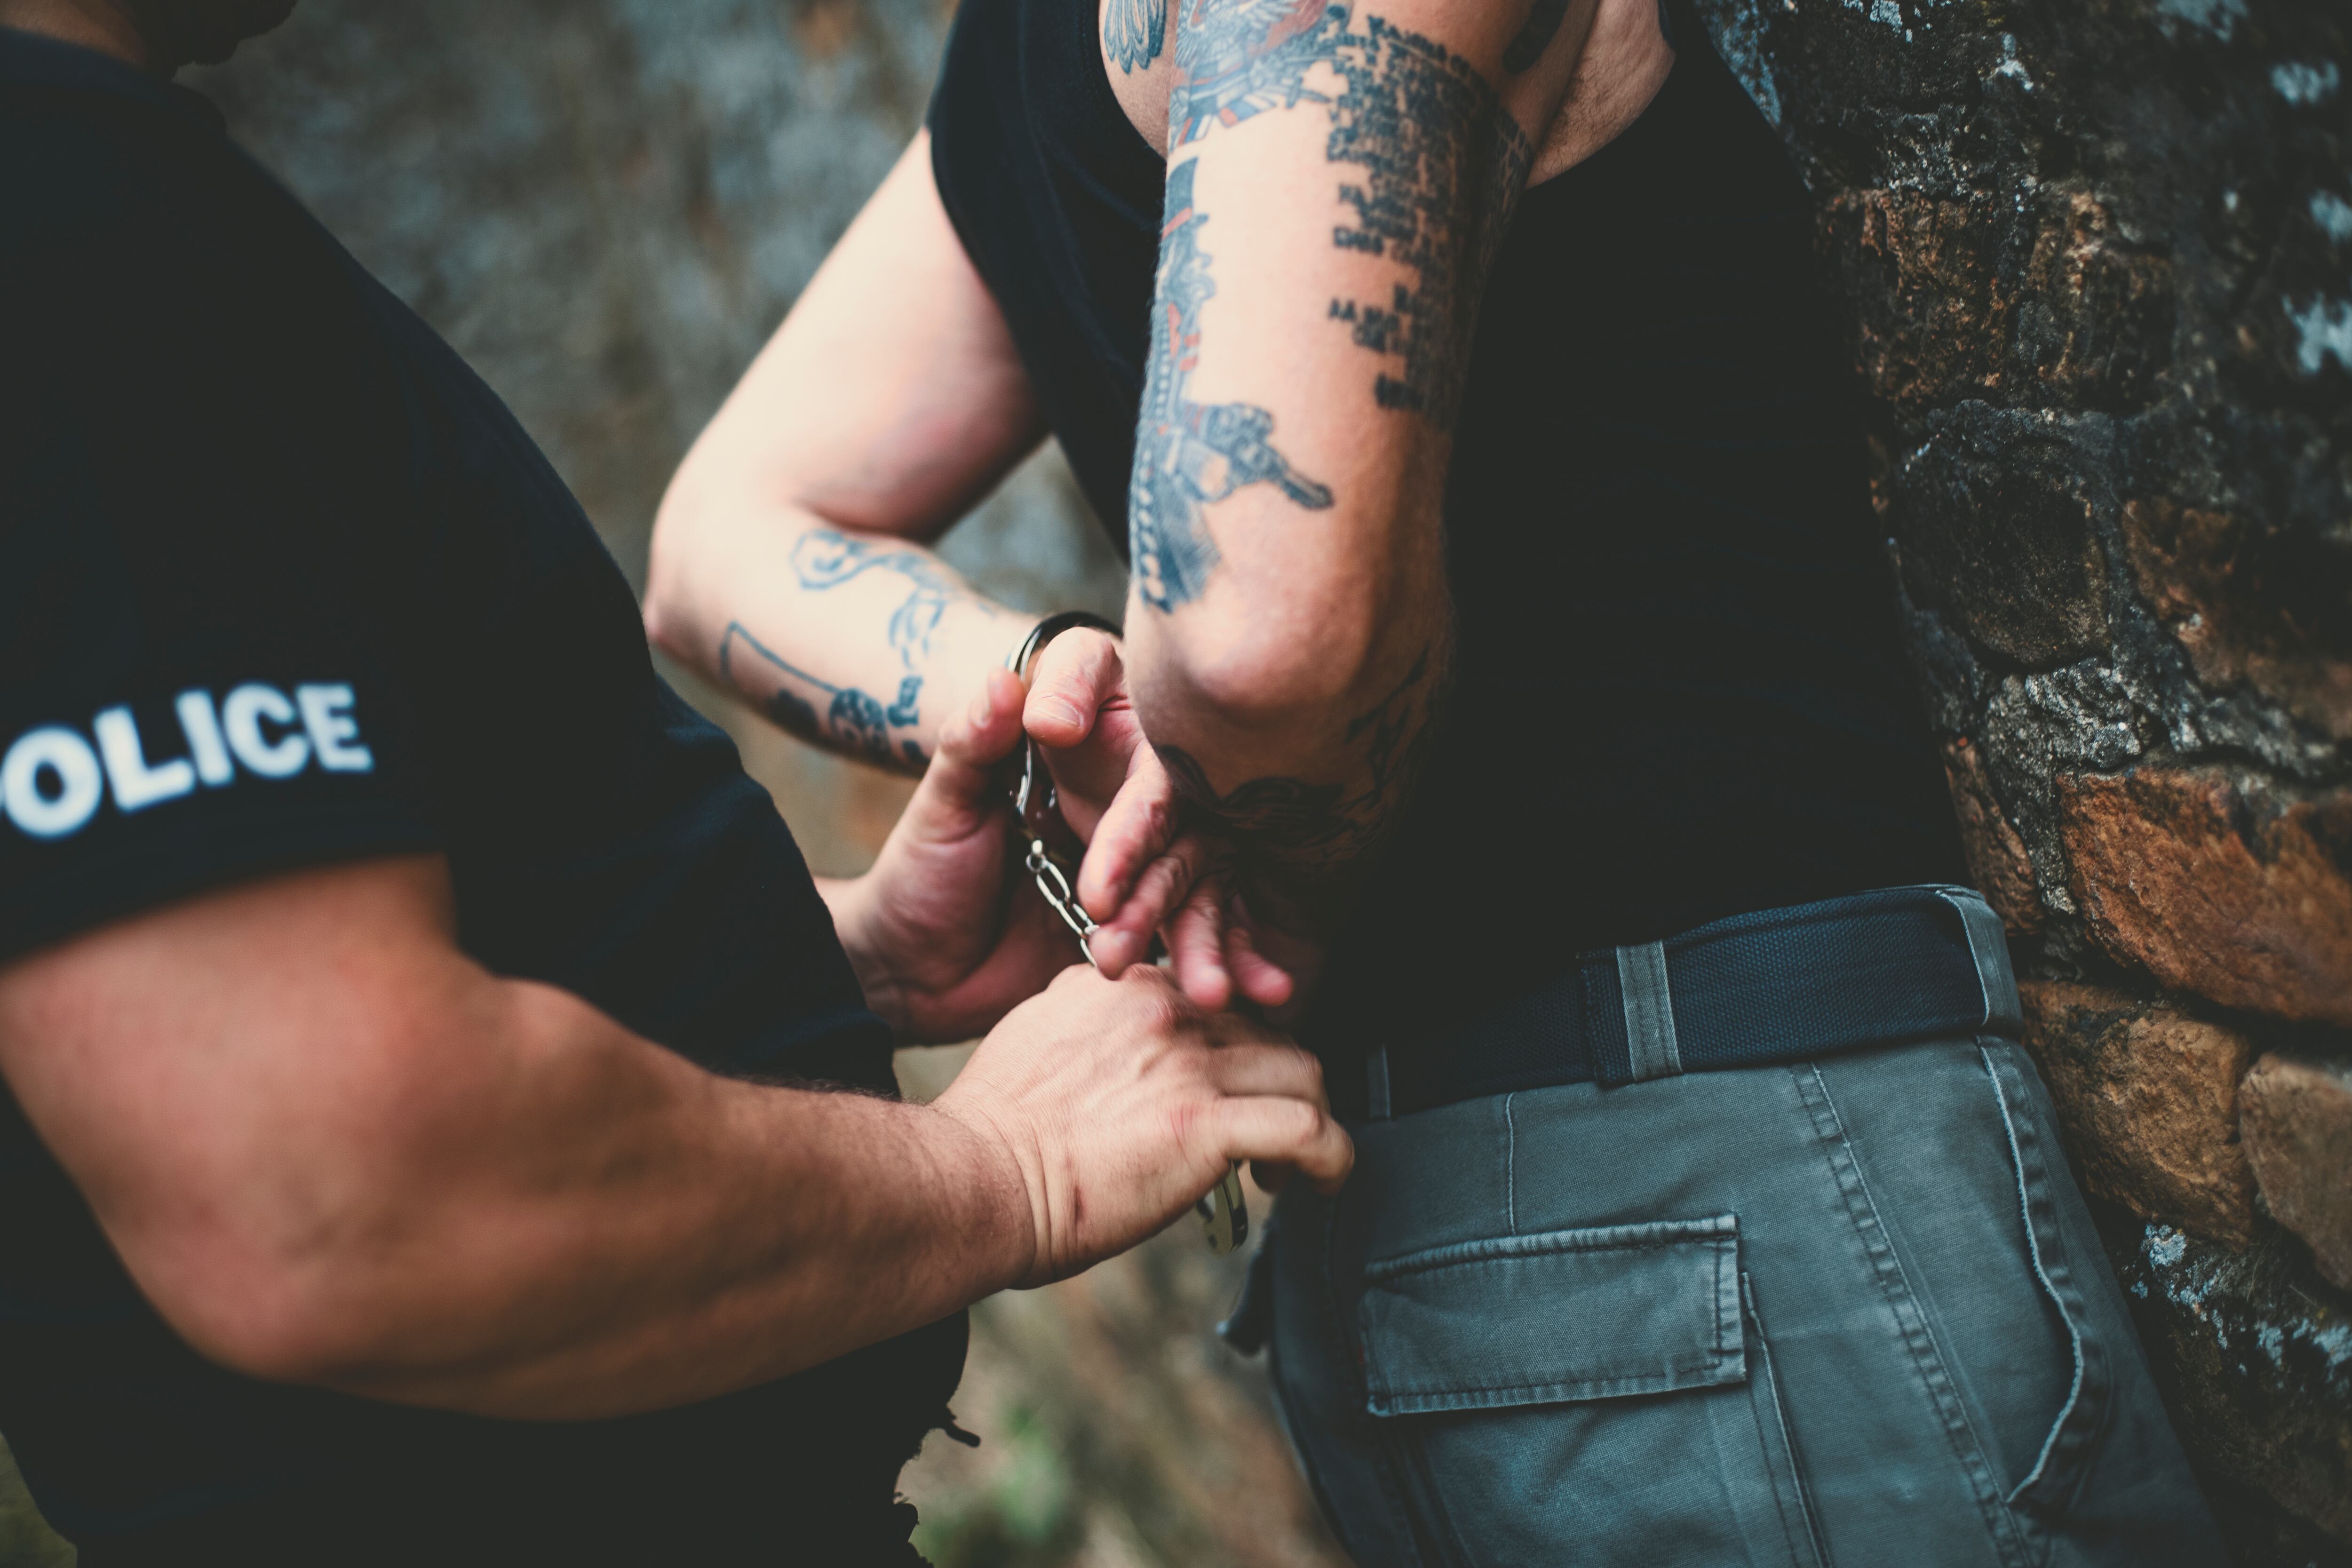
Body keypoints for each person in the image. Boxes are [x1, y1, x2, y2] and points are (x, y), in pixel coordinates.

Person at [649, 0, 2230, 1560]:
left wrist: (1082, 718)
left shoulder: (1017, 48)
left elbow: (719, 535)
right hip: (1737, 1195)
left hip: (1410, 1267)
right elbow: (1262, 635)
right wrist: (1245, 849)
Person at [0, 2, 1354, 1563]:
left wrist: (832, 965)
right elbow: (332, 1191)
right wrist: (1008, 1169)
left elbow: (191, 1002)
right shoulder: (56, 213)